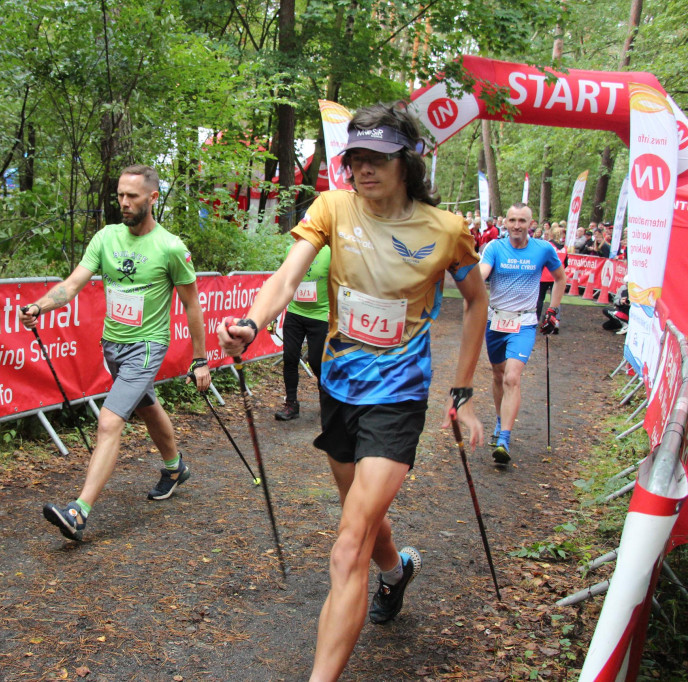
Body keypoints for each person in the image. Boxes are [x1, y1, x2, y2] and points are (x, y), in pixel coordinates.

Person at [218, 102, 487, 682]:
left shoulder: (445, 231)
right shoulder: (333, 207)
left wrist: (463, 388)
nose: (365, 169)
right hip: (339, 384)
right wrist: (254, 322)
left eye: (378, 159)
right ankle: (396, 571)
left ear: (407, 160)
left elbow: (477, 302)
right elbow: (288, 275)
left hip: (399, 397)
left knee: (347, 546)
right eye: (356, 158)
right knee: (359, 515)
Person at [21, 164, 212, 541]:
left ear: (153, 198)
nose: (124, 203)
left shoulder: (170, 247)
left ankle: (79, 511)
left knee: (110, 420)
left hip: (147, 346)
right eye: (121, 196)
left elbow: (192, 306)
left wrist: (201, 358)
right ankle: (175, 468)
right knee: (146, 405)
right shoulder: (106, 238)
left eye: (133, 197)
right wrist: (40, 307)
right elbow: (74, 283)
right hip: (114, 346)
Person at [480, 202, 566, 464]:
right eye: (512, 220)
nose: (517, 225)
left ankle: (504, 438)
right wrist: (469, 277)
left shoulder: (543, 249)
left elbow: (560, 278)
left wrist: (552, 310)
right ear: (505, 222)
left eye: (522, 221)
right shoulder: (495, 247)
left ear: (532, 224)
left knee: (512, 377)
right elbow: (482, 273)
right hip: (495, 320)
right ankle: (499, 420)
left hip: (524, 322)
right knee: (498, 375)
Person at [274, 243, 331, 420]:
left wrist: (334, 309)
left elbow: (339, 280)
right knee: (290, 357)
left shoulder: (330, 250)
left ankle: (327, 399)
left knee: (316, 361)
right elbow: (286, 280)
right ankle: (291, 404)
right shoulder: (290, 248)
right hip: (295, 312)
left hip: (321, 314)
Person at [536, 225, 567, 319]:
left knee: (540, 298)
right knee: (556, 299)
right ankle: (555, 320)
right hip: (557, 276)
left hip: (544, 276)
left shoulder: (547, 246)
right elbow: (566, 263)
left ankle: (536, 318)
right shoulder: (564, 248)